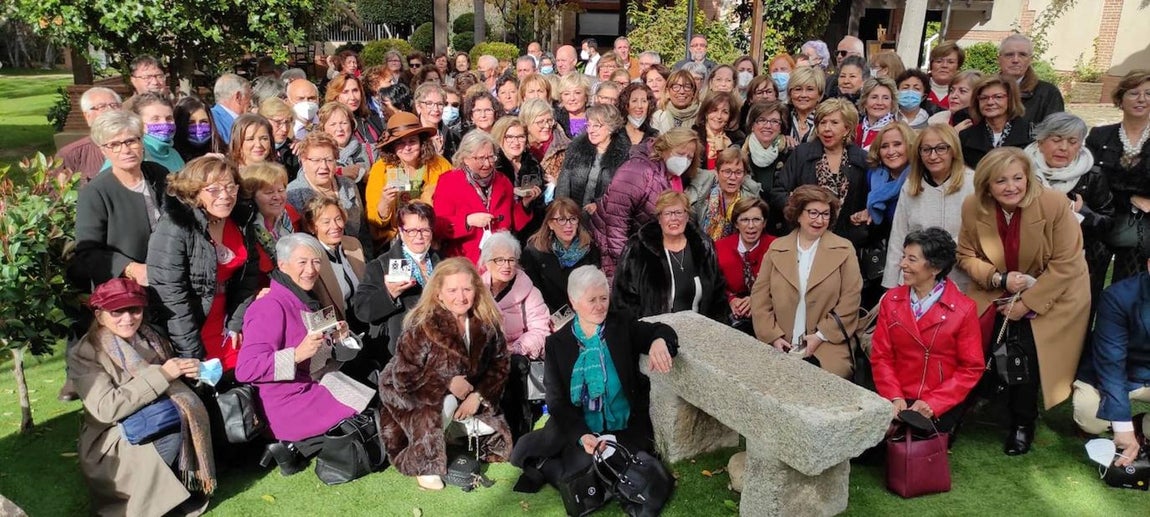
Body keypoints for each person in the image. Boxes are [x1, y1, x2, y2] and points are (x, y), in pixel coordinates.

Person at [956, 147, 1090, 455]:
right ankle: (957, 413)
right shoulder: (973, 206)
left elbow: (1067, 264)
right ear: (987, 185)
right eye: (1001, 181)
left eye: (1018, 178)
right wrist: (997, 279)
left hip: (1052, 290)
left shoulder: (1054, 203)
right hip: (996, 286)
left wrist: (1026, 303)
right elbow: (965, 256)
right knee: (968, 339)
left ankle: (1022, 423)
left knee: (1026, 349)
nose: (1012, 186)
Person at [509, 265, 677, 498]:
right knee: (581, 477)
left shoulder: (621, 325)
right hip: (581, 426)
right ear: (574, 301)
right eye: (592, 300)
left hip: (623, 425)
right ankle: (544, 464)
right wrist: (582, 435)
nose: (600, 306)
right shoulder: (558, 343)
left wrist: (658, 340)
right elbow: (556, 401)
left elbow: (659, 330)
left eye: (604, 298)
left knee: (617, 468)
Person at [68, 278, 214, 516]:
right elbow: (106, 408)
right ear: (99, 314)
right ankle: (154, 503)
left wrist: (191, 371)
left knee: (186, 416)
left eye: (134, 309)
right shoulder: (85, 353)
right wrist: (163, 374)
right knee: (172, 429)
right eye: (117, 311)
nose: (128, 318)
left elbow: (173, 377)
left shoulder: (150, 336)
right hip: (113, 437)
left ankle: (178, 491)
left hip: (154, 415)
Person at [236, 233, 375, 473]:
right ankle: (295, 447)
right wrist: (296, 355)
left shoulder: (308, 299)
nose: (310, 270)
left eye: (316, 262)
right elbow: (246, 369)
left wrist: (341, 339)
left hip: (313, 385)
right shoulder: (268, 306)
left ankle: (300, 446)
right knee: (371, 416)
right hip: (287, 404)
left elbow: (327, 357)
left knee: (373, 381)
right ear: (282, 265)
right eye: (302, 262)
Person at [376, 257, 513, 490]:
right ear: (439, 293)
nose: (460, 297)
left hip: (464, 395)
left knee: (490, 428)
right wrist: (446, 383)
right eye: (452, 290)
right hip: (410, 396)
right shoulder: (422, 327)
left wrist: (477, 396)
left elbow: (500, 365)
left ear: (476, 290)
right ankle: (423, 462)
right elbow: (402, 377)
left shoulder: (486, 324)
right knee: (446, 404)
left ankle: (447, 433)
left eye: (467, 289)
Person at [870, 228, 983, 440]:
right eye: (904, 257)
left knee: (913, 449)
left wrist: (934, 403)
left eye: (911, 259)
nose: (902, 264)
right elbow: (881, 356)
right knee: (874, 446)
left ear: (936, 267)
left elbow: (971, 368)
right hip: (896, 395)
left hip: (939, 401)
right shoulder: (890, 300)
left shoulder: (964, 309)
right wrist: (894, 395)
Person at [148, 155, 259, 370]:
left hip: (228, 319)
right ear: (194, 192)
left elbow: (249, 277)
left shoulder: (241, 220)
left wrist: (236, 323)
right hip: (192, 324)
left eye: (230, 187)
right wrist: (190, 352)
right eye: (214, 190)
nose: (225, 196)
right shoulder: (175, 227)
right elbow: (170, 295)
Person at [751, 185, 862, 378]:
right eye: (813, 213)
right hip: (780, 341)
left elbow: (850, 299)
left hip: (828, 343)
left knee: (828, 382)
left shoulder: (845, 249)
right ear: (798, 214)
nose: (819, 220)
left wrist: (821, 336)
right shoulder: (777, 248)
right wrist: (773, 336)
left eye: (825, 214)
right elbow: (760, 297)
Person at [1026, 112, 1114, 318]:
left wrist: (1082, 212)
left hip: (1082, 263)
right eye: (1056, 139)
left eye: (1072, 141)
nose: (1063, 148)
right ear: (1040, 142)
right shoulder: (1022, 170)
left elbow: (1107, 224)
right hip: (1031, 262)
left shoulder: (1092, 176)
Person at [72, 111, 167, 290]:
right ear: (103, 151)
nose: (125, 150)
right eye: (114, 144)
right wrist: (129, 268)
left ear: (141, 141)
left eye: (131, 141)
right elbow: (88, 251)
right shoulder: (95, 192)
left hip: (169, 278)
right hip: (126, 290)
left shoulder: (158, 173)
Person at [591, 127, 701, 278]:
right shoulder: (638, 170)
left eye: (689, 157)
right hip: (614, 254)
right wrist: (629, 263)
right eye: (680, 154)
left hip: (641, 253)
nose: (685, 161)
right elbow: (615, 223)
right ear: (664, 148)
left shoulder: (674, 179)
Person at [1074, 257, 1150, 468]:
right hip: (1112, 371)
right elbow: (1111, 364)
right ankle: (1123, 424)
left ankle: (1143, 425)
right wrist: (1122, 425)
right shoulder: (1117, 297)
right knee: (1090, 419)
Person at [882, 123, 974, 291]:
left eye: (941, 148)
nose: (933, 156)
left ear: (953, 150)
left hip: (961, 277)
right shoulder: (911, 185)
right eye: (926, 150)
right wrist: (891, 285)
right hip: (918, 280)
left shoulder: (972, 183)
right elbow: (898, 236)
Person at [612, 190, 727, 321]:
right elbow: (623, 298)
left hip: (700, 331)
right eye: (667, 213)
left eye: (679, 212)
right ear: (659, 219)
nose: (674, 218)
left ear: (687, 216)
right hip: (653, 334)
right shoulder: (637, 248)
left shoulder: (704, 246)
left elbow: (718, 295)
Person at [479, 232, 551, 440]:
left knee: (514, 365)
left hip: (517, 352)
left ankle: (517, 432)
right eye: (499, 260)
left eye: (511, 260)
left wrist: (516, 348)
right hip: (485, 351)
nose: (506, 265)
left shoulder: (529, 290)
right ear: (487, 261)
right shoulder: (477, 289)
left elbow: (540, 331)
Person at [771, 98, 870, 247]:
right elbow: (778, 192)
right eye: (822, 123)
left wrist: (865, 214)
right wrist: (798, 207)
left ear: (847, 129)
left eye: (834, 123)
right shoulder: (802, 154)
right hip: (804, 239)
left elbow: (871, 200)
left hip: (846, 242)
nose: (826, 128)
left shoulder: (862, 159)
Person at [353, 201, 441, 361]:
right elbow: (362, 310)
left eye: (425, 230)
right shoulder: (380, 265)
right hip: (401, 354)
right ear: (401, 231)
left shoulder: (442, 262)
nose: (419, 237)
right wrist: (389, 294)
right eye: (411, 231)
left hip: (438, 350)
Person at [432, 131, 537, 263]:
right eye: (481, 158)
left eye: (491, 157)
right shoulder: (449, 182)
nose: (487, 164)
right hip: (465, 261)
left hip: (498, 260)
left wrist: (525, 205)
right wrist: (467, 221)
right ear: (465, 158)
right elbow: (438, 226)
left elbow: (513, 222)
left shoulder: (502, 181)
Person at [1087, 70, 1150, 283]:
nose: (1142, 99)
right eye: (1134, 93)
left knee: (1128, 290)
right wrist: (1131, 198)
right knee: (1087, 287)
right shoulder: (1099, 135)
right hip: (1100, 220)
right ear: (1120, 99)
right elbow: (1090, 181)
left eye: (1149, 93)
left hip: (1141, 227)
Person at [364, 111, 451, 248]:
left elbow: (452, 206)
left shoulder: (440, 165)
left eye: (412, 141)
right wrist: (385, 202)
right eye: (400, 143)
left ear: (422, 142)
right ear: (392, 146)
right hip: (395, 242)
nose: (407, 148)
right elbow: (374, 221)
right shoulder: (381, 168)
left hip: (433, 239)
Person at [859, 121, 913, 304]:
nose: (891, 151)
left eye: (897, 144)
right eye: (884, 146)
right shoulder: (872, 176)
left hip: (911, 258)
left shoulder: (919, 178)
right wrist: (863, 214)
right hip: (879, 260)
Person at [521, 198, 602, 313]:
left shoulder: (589, 247)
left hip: (585, 312)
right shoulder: (534, 252)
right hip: (549, 315)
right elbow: (533, 293)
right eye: (561, 220)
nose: (568, 225)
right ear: (550, 224)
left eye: (573, 219)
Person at [286, 132, 368, 247]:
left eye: (329, 160)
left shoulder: (348, 185)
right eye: (316, 160)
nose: (324, 166)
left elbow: (363, 232)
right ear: (303, 161)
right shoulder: (292, 194)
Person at [556, 104, 631, 214]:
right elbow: (563, 184)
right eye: (588, 125)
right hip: (573, 215)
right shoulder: (576, 149)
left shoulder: (624, 156)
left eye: (596, 126)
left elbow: (622, 192)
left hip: (604, 218)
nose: (591, 131)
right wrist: (562, 209)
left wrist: (600, 204)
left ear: (611, 127)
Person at [301, 196, 366, 323]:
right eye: (326, 222)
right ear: (312, 227)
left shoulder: (353, 244)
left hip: (364, 314)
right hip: (337, 324)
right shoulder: (311, 259)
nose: (335, 226)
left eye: (338, 219)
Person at [715, 198, 775, 334]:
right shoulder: (719, 247)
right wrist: (731, 300)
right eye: (745, 220)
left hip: (769, 314)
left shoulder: (776, 246)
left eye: (756, 220)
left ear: (764, 223)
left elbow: (782, 285)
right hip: (730, 315)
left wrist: (756, 299)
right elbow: (715, 284)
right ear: (736, 224)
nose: (751, 226)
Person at [241, 162, 300, 288]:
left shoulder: (291, 215)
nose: (277, 197)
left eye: (281, 190)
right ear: (251, 196)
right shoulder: (244, 229)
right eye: (268, 192)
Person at [959, 75, 1033, 170]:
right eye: (984, 98)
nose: (990, 102)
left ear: (1010, 99)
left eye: (998, 97)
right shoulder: (965, 137)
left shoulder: (1030, 134)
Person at [492, 116, 546, 239]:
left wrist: (529, 201)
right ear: (500, 138)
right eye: (509, 137)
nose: (516, 142)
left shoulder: (533, 164)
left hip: (532, 231)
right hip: (501, 231)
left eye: (520, 137)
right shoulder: (493, 167)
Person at [741, 100, 790, 237]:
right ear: (752, 125)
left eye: (775, 122)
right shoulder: (739, 152)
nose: (768, 126)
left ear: (781, 128)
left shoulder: (790, 154)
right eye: (761, 120)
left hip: (780, 230)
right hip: (745, 228)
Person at [691, 147, 761, 240]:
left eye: (738, 172)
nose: (732, 177)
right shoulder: (702, 193)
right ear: (716, 172)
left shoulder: (751, 199)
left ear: (744, 175)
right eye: (727, 172)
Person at [998, 34, 1065, 126]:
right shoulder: (984, 90)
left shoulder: (1048, 93)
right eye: (1009, 55)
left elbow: (1055, 131)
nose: (1015, 60)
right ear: (999, 59)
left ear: (1030, 60)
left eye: (1022, 55)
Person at [60, 87, 122, 181]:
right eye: (102, 107)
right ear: (87, 116)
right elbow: (56, 193)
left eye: (114, 105)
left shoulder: (141, 145)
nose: (110, 110)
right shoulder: (71, 155)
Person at [124, 93, 185, 174]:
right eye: (155, 119)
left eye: (169, 118)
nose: (164, 123)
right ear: (138, 122)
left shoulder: (174, 155)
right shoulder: (130, 153)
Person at [521, 98, 571, 192]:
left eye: (549, 121)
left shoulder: (565, 149)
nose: (547, 126)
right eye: (540, 122)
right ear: (527, 124)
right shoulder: (519, 148)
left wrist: (558, 185)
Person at [325, 73, 385, 147]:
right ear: (336, 96)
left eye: (355, 90)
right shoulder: (329, 123)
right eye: (345, 92)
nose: (352, 97)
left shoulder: (371, 117)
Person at [318, 102, 372, 183]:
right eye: (333, 124)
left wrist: (368, 175)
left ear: (351, 125)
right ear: (323, 129)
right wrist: (340, 171)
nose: (339, 129)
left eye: (344, 123)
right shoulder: (315, 154)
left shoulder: (370, 151)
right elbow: (305, 177)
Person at [693, 91, 744, 171]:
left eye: (725, 112)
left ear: (730, 117)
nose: (719, 116)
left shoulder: (737, 140)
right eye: (714, 110)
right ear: (706, 113)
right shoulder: (694, 137)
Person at [258, 97, 301, 180]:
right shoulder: (254, 151)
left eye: (287, 122)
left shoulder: (294, 149)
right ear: (263, 121)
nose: (284, 129)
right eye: (278, 122)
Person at [174, 96, 225, 164]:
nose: (198, 127)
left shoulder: (224, 151)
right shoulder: (173, 155)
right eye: (191, 123)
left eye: (203, 122)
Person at [786, 66, 825, 144]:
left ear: (819, 95)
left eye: (810, 89)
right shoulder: (782, 117)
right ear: (790, 93)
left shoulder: (826, 119)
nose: (803, 95)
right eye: (798, 89)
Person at [855, 78, 898, 150]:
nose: (879, 103)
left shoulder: (898, 131)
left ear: (892, 103)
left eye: (885, 98)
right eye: (874, 97)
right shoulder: (855, 131)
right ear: (865, 102)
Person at [210, 74, 252, 144]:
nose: (251, 102)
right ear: (238, 97)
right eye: (248, 96)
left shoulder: (210, 117)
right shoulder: (212, 122)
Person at [617, 82, 659, 148]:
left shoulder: (654, 136)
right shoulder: (615, 134)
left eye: (644, 101)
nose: (639, 106)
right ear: (626, 105)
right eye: (634, 101)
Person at [926, 42, 964, 110]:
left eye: (951, 62)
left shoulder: (965, 93)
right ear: (931, 65)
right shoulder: (917, 88)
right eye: (939, 61)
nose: (944, 65)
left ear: (958, 67)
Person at [556, 73, 592, 138]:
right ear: (561, 97)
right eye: (566, 94)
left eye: (577, 93)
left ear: (586, 96)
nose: (572, 98)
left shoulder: (597, 116)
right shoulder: (555, 119)